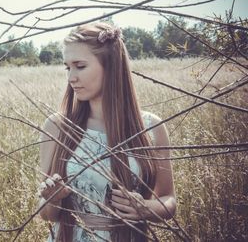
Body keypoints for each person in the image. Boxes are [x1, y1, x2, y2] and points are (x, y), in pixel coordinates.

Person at [38, 22, 176, 242]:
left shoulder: (152, 127)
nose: (71, 77)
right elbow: (46, 215)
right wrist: (52, 199)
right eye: (67, 67)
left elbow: (169, 200)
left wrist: (147, 209)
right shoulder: (57, 127)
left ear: (110, 66)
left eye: (80, 66)